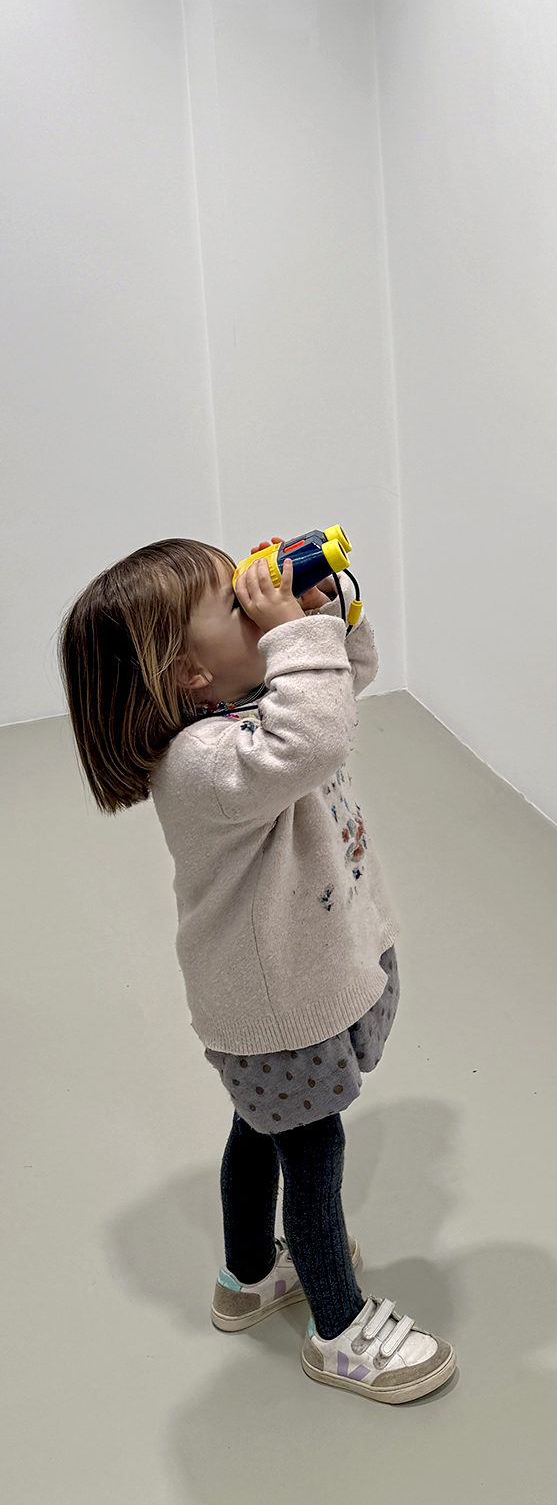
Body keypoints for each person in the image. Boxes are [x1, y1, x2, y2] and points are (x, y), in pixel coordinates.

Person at [57, 537, 456, 1404]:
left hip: (278, 985)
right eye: (237, 609)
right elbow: (315, 736)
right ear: (191, 676)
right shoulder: (202, 764)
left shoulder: (254, 709)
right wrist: (291, 639)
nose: (259, 602)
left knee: (262, 1129)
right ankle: (339, 1328)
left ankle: (247, 1278)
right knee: (313, 1152)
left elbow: (337, 696)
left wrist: (319, 619)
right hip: (279, 1004)